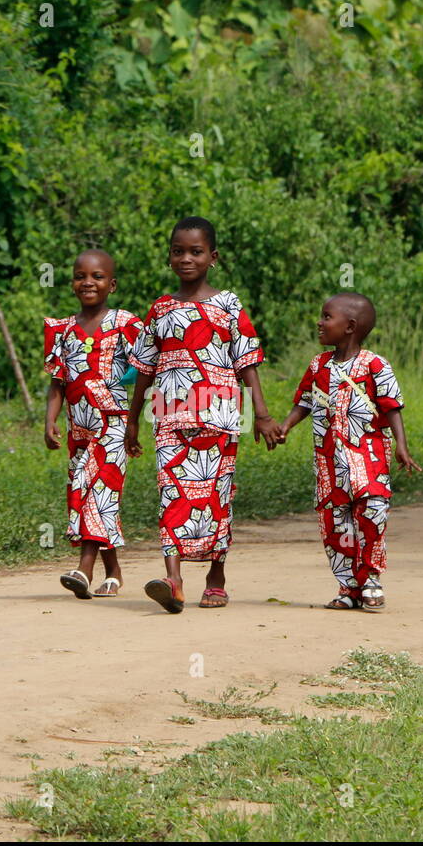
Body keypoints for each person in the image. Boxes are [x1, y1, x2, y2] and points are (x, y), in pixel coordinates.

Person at [125, 216, 280, 614]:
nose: (186, 258)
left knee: (217, 497)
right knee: (172, 493)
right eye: (178, 251)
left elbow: (247, 362)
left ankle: (216, 577)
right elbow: (144, 369)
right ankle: (173, 581)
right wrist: (130, 422)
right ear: (169, 257)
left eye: (195, 251)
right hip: (169, 416)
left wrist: (261, 414)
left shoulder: (229, 304)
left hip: (223, 415)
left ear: (213, 257)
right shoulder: (160, 308)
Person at [275, 293, 417, 611]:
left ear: (350, 326)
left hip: (369, 460)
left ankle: (371, 580)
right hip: (328, 464)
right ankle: (348, 587)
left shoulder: (375, 365)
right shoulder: (318, 365)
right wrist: (285, 426)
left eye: (327, 317)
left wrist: (402, 447)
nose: (320, 322)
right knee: (336, 524)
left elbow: (392, 407)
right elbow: (305, 403)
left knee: (372, 516)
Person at [43, 249, 144, 598]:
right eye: (80, 276)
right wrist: (50, 421)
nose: (88, 282)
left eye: (98, 276)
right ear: (72, 283)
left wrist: (134, 422)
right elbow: (57, 382)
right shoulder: (62, 330)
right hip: (80, 431)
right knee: (88, 496)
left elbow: (145, 368)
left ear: (111, 284)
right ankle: (113, 571)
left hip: (113, 426)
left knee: (100, 492)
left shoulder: (125, 324)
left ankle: (84, 570)